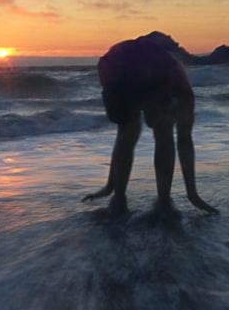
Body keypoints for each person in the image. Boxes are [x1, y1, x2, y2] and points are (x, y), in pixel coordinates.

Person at [83, 36, 218, 216]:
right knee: (163, 133)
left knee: (128, 130)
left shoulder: (160, 67)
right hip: (119, 69)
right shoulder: (178, 81)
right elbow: (184, 140)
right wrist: (192, 194)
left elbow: (122, 136)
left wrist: (110, 186)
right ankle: (162, 201)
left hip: (113, 68)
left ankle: (119, 196)